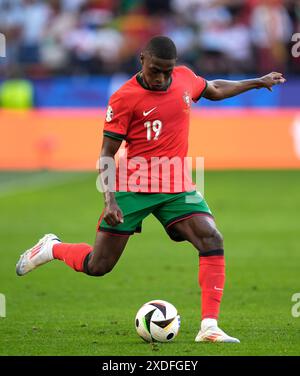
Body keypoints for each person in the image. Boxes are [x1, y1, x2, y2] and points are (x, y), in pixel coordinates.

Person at [16, 36, 286, 343]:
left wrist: (256, 81)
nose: (162, 77)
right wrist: (110, 200)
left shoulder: (183, 78)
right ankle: (52, 248)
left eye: (167, 71)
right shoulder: (124, 97)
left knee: (212, 238)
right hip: (132, 186)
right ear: (142, 59)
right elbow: (106, 153)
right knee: (98, 265)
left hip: (175, 184)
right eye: (156, 70)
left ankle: (209, 327)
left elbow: (213, 88)